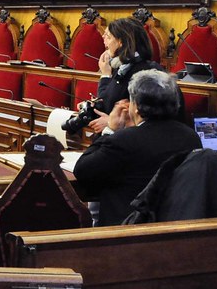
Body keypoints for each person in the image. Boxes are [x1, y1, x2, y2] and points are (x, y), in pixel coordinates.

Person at [73, 69, 201, 226]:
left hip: (127, 230)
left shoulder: (124, 140)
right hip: (173, 226)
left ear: (136, 107)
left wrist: (109, 130)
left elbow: (82, 170)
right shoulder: (191, 137)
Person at [89, 17, 163, 133]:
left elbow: (108, 105)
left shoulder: (144, 73)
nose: (103, 38)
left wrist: (110, 122)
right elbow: (107, 103)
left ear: (121, 42)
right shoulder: (123, 67)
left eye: (108, 36)